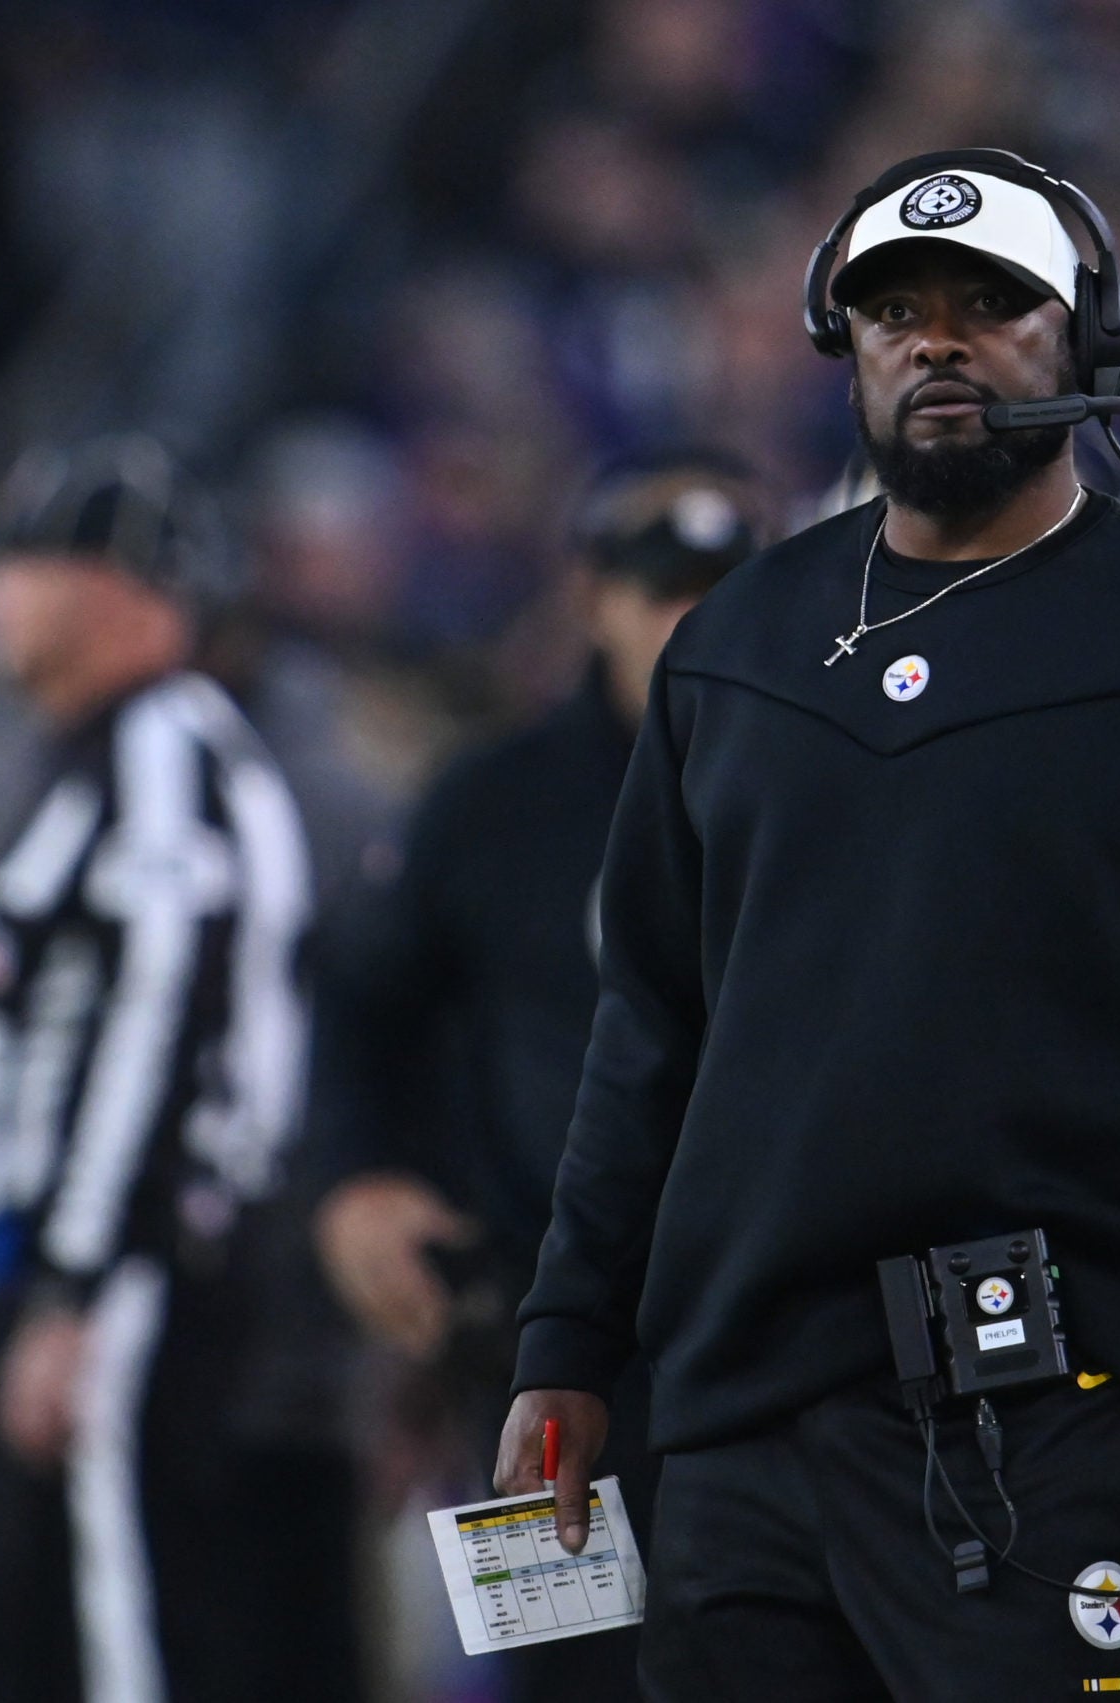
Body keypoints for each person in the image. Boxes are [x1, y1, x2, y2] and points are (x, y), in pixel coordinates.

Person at [494, 150, 1120, 1699]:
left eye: (990, 306)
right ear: (846, 349)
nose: (935, 340)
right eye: (893, 312)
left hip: (1062, 1406)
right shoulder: (733, 650)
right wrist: (563, 1344)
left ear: (1089, 341)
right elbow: (652, 1033)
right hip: (740, 1411)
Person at [0, 436, 315, 1703]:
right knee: (18, 1636)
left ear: (110, 588)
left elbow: (160, 1022)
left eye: (14, 563)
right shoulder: (50, 756)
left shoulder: (163, 749)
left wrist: (82, 1288)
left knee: (121, 1634)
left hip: (137, 1274)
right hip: (41, 1264)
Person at [310, 449, 759, 1697]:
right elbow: (356, 1004)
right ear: (592, 598)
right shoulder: (490, 802)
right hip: (541, 1353)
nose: (693, 621)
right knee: (563, 1676)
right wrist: (358, 1182)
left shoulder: (839, 794)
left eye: (727, 587)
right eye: (663, 586)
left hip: (785, 1343)